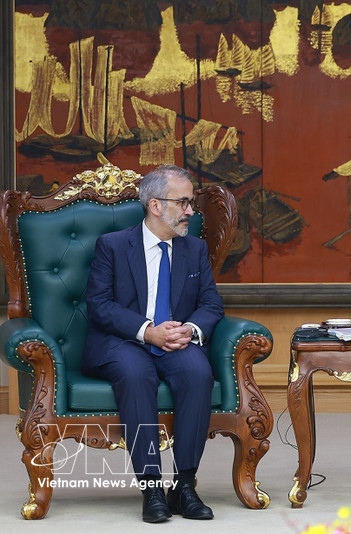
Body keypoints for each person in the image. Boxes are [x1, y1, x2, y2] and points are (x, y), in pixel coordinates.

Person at [83, 164, 224, 523]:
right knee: (136, 374)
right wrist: (147, 331)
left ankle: (185, 486)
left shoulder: (195, 249)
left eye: (191, 203)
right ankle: (152, 489)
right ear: (155, 206)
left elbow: (211, 304)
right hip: (123, 341)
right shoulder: (113, 246)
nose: (190, 211)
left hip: (175, 341)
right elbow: (99, 306)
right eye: (183, 203)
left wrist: (189, 330)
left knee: (197, 373)